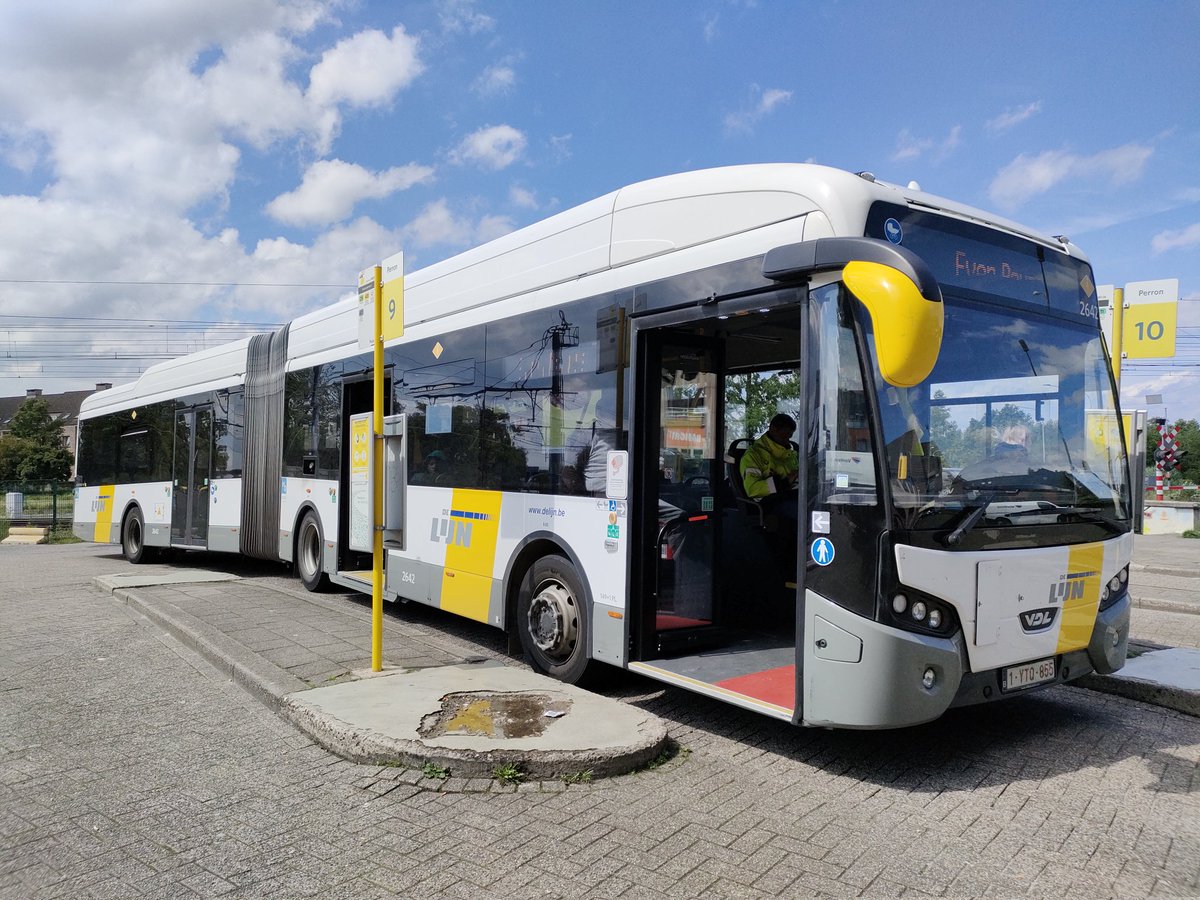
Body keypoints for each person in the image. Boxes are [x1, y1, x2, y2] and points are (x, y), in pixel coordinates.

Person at [740, 413, 800, 520]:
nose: (787, 440)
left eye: (790, 436)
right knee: (803, 513)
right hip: (769, 502)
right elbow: (752, 489)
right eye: (784, 436)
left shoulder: (791, 453)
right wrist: (784, 482)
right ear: (773, 429)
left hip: (794, 494)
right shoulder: (754, 455)